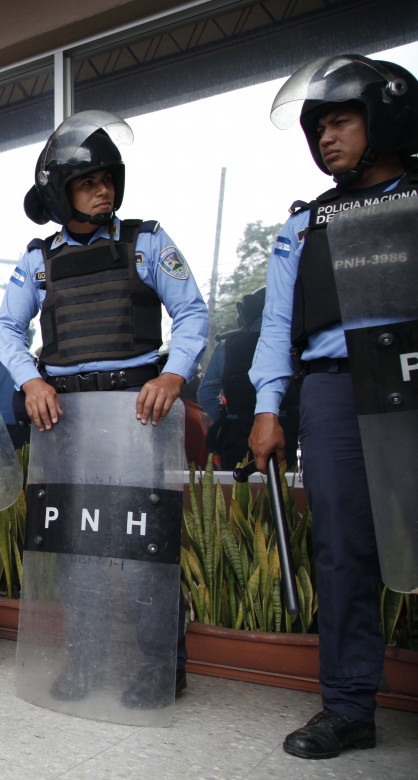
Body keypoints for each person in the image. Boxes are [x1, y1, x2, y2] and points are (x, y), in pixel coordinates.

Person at [0, 110, 208, 706]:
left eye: (109, 179)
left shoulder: (147, 241)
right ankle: (84, 661)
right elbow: (7, 329)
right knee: (77, 551)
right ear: (61, 193)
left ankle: (162, 666)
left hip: (137, 416)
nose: (104, 190)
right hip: (67, 420)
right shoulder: (38, 258)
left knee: (145, 549)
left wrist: (173, 373)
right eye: (89, 182)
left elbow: (193, 314)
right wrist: (30, 381)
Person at [248, 54, 418, 760]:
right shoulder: (303, 226)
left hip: (409, 372)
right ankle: (348, 706)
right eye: (318, 128)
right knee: (343, 550)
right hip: (334, 389)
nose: (326, 138)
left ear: (382, 119)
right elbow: (276, 323)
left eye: (339, 121)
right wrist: (268, 406)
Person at [198, 288, 299, 470]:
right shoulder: (293, 343)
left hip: (236, 436)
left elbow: (206, 393)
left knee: (236, 494)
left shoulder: (226, 347)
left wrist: (227, 420)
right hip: (284, 432)